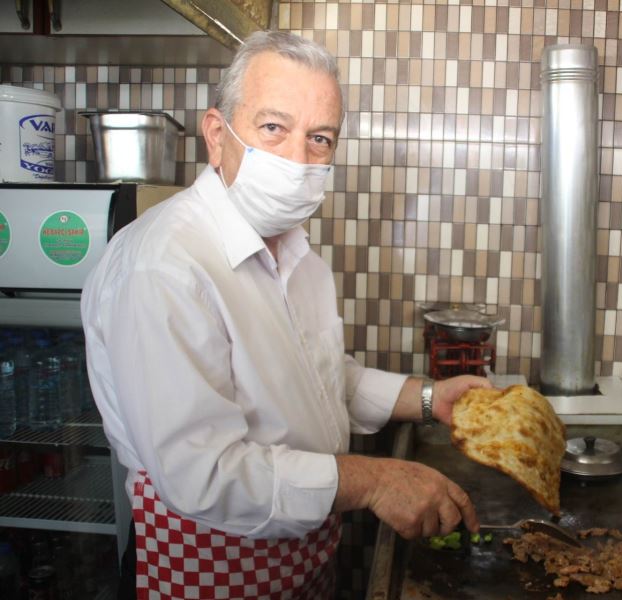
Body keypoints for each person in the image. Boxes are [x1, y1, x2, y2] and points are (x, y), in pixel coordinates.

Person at [81, 30, 489, 600]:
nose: (298, 159)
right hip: (207, 569)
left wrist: (429, 398)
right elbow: (204, 474)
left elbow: (319, 379)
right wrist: (375, 481)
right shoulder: (164, 266)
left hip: (303, 564)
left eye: (319, 138)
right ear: (217, 135)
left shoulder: (296, 256)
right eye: (273, 127)